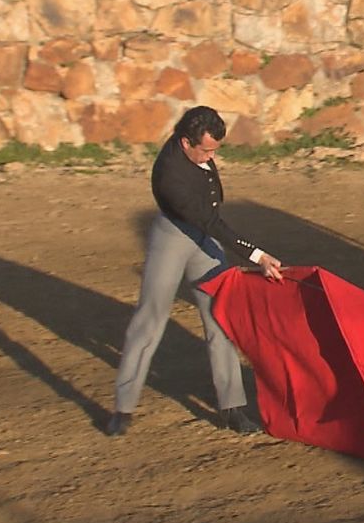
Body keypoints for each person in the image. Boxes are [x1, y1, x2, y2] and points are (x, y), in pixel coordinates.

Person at [105, 106, 283, 437]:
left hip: (204, 238)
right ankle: (123, 407)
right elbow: (210, 220)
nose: (211, 156)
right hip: (173, 239)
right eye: (206, 149)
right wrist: (257, 255)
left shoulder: (196, 149)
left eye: (215, 149)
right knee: (150, 318)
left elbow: (209, 219)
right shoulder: (170, 174)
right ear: (186, 142)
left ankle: (232, 408)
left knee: (221, 316)